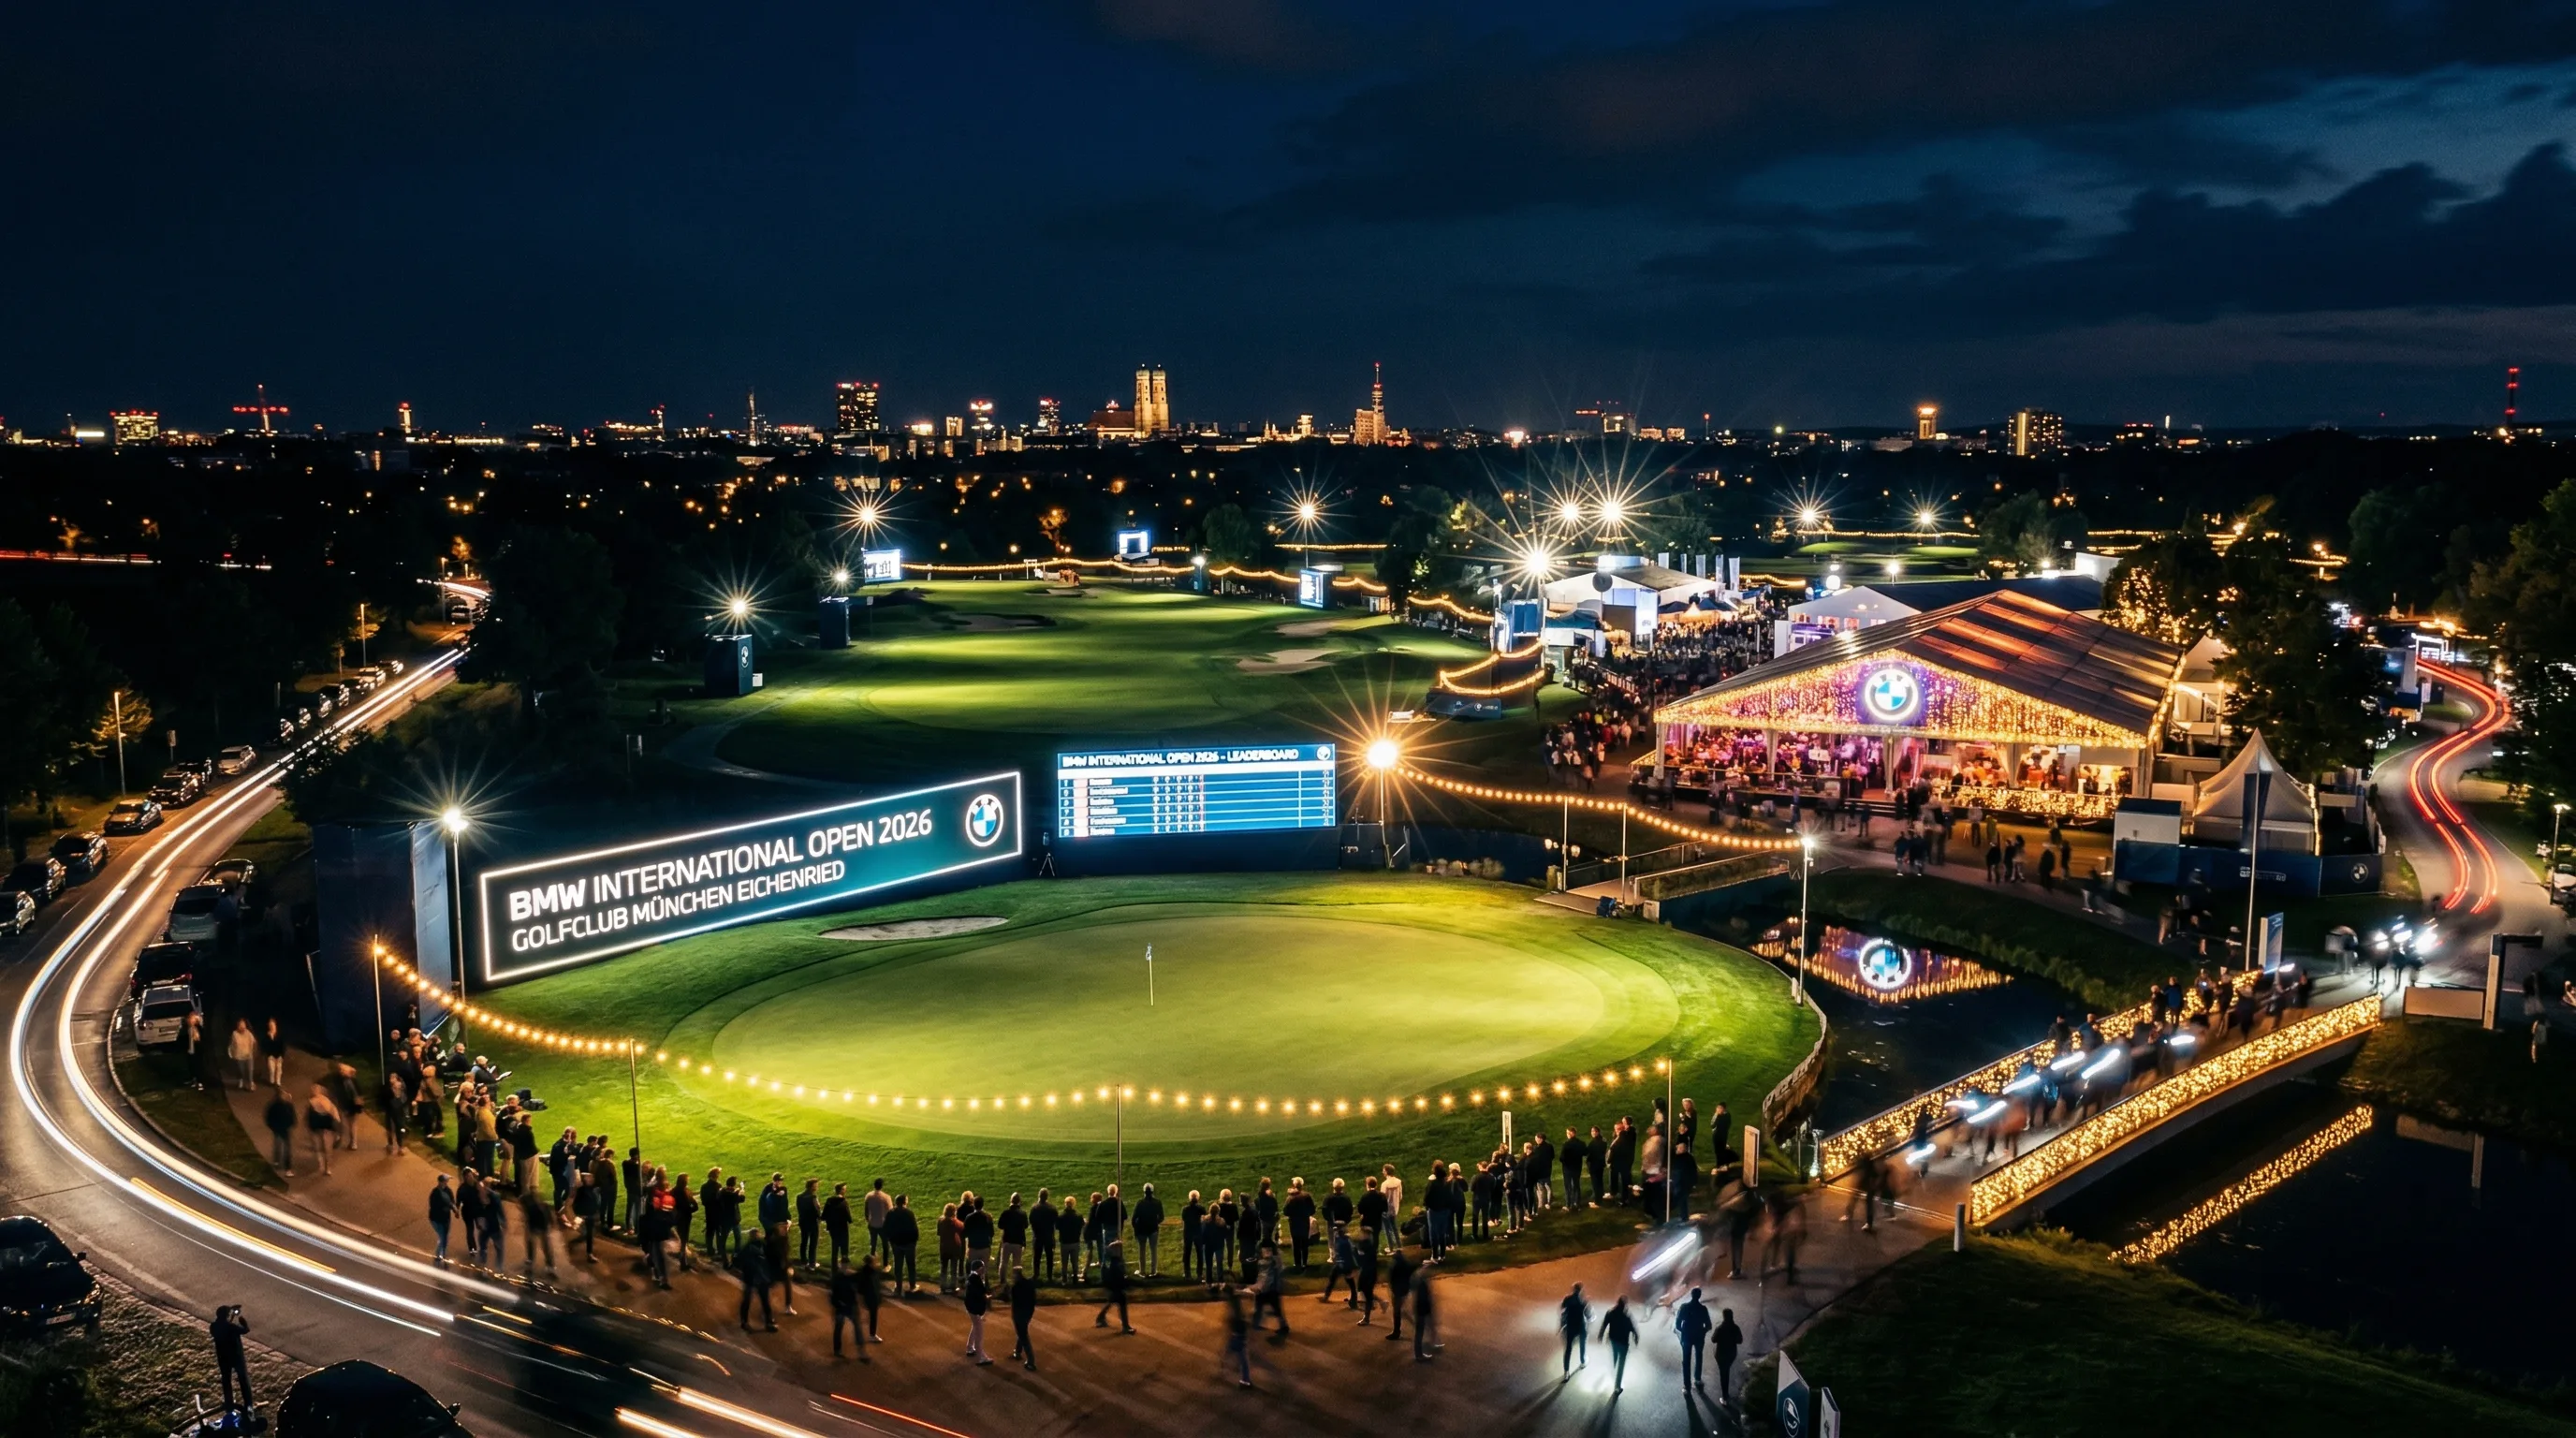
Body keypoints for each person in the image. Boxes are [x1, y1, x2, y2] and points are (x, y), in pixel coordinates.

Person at [211, 1305, 253, 1414]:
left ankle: (228, 1403)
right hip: (236, 1357)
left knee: (226, 1380)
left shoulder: (213, 1326)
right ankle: (248, 1403)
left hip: (223, 1357)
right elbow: (245, 1330)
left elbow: (224, 1326)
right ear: (226, 1315)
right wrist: (243, 1322)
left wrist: (231, 1314)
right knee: (243, 1380)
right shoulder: (231, 1327)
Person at [1676, 1286, 1712, 1391]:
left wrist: (1684, 1331)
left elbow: (1678, 1324)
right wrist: (1702, 1332)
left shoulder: (1684, 1307)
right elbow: (1709, 1325)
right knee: (1699, 1357)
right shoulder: (1703, 1309)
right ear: (1699, 1296)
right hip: (1699, 1337)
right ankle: (1697, 1379)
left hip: (1687, 1337)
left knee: (1686, 1360)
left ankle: (1687, 1386)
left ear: (1691, 1295)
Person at [737, 1234, 776, 1332]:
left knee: (748, 1300)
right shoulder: (764, 1247)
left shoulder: (746, 1248)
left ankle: (745, 1322)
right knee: (764, 1301)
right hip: (761, 1278)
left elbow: (737, 1262)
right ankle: (769, 1322)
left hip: (751, 1278)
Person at [1601, 1296, 1639, 1394]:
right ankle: (1617, 1386)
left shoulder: (1611, 1312)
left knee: (1614, 1358)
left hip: (1613, 1340)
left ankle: (1612, 1374)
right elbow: (1633, 1328)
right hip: (1623, 1343)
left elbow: (1604, 1324)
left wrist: (1601, 1335)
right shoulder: (1627, 1316)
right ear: (1625, 1305)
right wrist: (1636, 1337)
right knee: (1621, 1364)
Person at [1094, 1237, 1134, 1333]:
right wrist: (1125, 1284)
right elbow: (1119, 1277)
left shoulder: (1114, 1261)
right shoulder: (1115, 1263)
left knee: (1112, 1301)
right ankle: (1125, 1327)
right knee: (1121, 1302)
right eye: (1118, 1249)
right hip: (1116, 1287)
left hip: (1114, 1287)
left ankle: (1100, 1318)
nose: (1120, 1250)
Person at [1251, 1240, 1289, 1336]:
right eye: (1265, 1251)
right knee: (1259, 1306)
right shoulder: (1262, 1262)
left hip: (1271, 1289)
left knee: (1276, 1309)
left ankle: (1284, 1327)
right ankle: (1256, 1323)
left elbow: (1275, 1269)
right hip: (1263, 1288)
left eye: (1269, 1250)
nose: (1267, 1252)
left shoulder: (1274, 1262)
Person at [885, 1194, 919, 1295]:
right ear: (904, 1202)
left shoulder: (891, 1213)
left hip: (896, 1243)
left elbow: (886, 1228)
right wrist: (914, 1241)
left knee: (898, 1265)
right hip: (909, 1243)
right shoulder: (909, 1213)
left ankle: (898, 1287)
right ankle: (912, 1285)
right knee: (911, 1265)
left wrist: (891, 1240)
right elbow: (914, 1229)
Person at [302, 1083, 339, 1176]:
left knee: (319, 1147)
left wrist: (305, 1125)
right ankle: (327, 1168)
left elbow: (306, 1116)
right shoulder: (327, 1102)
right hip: (326, 1125)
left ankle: (322, 1164)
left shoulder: (310, 1102)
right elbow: (336, 1116)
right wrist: (337, 1130)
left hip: (316, 1125)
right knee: (326, 1148)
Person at [1222, 1284, 1253, 1389]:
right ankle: (1225, 1368)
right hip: (1239, 1330)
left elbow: (1235, 1317)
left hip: (1238, 1331)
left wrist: (1231, 1325)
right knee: (1232, 1350)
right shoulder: (1235, 1298)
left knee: (1241, 1356)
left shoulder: (1233, 1301)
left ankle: (1245, 1381)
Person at [1713, 1305, 1745, 1408]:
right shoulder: (1735, 1328)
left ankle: (1725, 1397)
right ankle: (1725, 1396)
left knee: (1723, 1374)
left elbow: (1713, 1339)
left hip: (1721, 1354)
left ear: (1724, 1316)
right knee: (1726, 1371)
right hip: (1731, 1354)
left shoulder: (1720, 1328)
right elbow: (1740, 1341)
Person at [1008, 1263, 1038, 1370]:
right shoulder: (1030, 1284)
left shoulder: (1015, 1287)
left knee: (1023, 1335)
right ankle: (1017, 1352)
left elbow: (1013, 1300)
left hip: (1018, 1313)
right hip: (1029, 1312)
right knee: (1022, 1331)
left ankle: (1031, 1362)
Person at [961, 1261, 992, 1365]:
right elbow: (981, 1294)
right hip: (974, 1309)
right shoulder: (976, 1280)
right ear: (979, 1269)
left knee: (975, 1327)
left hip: (971, 1308)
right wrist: (987, 1297)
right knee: (979, 1334)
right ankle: (981, 1358)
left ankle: (970, 1348)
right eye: (982, 1267)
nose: (984, 1269)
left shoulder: (972, 1278)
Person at [1132, 1181, 1164, 1277]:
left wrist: (1136, 1228)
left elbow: (1134, 1218)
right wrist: (1155, 1222)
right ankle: (1153, 1271)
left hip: (1142, 1229)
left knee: (1142, 1251)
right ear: (1152, 1192)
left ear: (1144, 1192)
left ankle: (1142, 1271)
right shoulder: (1157, 1202)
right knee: (1153, 1250)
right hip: (1153, 1229)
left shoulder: (1140, 1203)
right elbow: (1161, 1217)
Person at [262, 1087, 297, 1174]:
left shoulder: (275, 1105)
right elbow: (292, 1115)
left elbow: (268, 1117)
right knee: (284, 1147)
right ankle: (286, 1167)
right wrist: (292, 1123)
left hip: (280, 1128)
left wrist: (272, 1126)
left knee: (280, 1145)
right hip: (281, 1128)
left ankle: (279, 1162)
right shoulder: (282, 1105)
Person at [1558, 1283, 1589, 1376]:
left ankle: (1566, 1371)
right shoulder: (1583, 1301)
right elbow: (1588, 1315)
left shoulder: (1567, 1299)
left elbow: (1562, 1307)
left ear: (1573, 1289)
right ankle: (1582, 1361)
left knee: (1568, 1349)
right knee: (1582, 1344)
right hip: (1581, 1326)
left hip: (1570, 1326)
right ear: (1581, 1290)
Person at [1057, 1193, 1085, 1285]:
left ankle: (1064, 1279)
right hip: (1075, 1242)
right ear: (1073, 1204)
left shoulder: (1061, 1217)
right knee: (1075, 1262)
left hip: (1064, 1242)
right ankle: (1075, 1278)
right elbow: (1082, 1225)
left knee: (1064, 1262)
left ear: (1065, 1204)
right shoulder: (1078, 1216)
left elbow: (1057, 1227)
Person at [999, 1192, 1029, 1279]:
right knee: (1017, 1263)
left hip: (1007, 1240)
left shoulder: (1005, 1213)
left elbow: (1000, 1225)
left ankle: (1002, 1280)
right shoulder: (1023, 1214)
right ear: (1019, 1201)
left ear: (1011, 1201)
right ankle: (1016, 1280)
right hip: (1018, 1241)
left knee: (1003, 1262)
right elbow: (1026, 1226)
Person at [937, 1201, 965, 1295]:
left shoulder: (940, 1221)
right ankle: (953, 1286)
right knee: (954, 1268)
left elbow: (939, 1233)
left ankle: (943, 1286)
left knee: (943, 1267)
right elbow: (962, 1227)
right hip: (954, 1248)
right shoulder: (956, 1223)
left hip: (944, 1247)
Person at [857, 1254, 886, 1345]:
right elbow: (861, 1288)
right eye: (874, 1261)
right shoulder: (867, 1274)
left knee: (872, 1315)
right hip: (870, 1297)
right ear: (870, 1263)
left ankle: (871, 1331)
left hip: (873, 1296)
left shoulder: (871, 1270)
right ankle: (872, 1335)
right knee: (873, 1316)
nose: (876, 1262)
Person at [798, 1179, 824, 1269]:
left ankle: (803, 1261)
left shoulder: (799, 1196)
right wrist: (820, 1217)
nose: (817, 1187)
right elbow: (817, 1210)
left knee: (804, 1242)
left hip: (803, 1222)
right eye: (816, 1185)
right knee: (813, 1243)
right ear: (812, 1186)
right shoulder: (813, 1197)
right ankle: (812, 1263)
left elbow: (799, 1209)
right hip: (812, 1222)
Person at [864, 1178, 892, 1260]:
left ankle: (872, 1260)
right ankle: (885, 1263)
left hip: (872, 1223)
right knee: (885, 1244)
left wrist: (867, 1219)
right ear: (882, 1186)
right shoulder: (886, 1197)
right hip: (883, 1224)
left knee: (873, 1243)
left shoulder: (868, 1196)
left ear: (874, 1185)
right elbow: (890, 1211)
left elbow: (866, 1210)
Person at [226, 1020, 257, 1091]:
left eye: (243, 1025)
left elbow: (254, 1042)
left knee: (250, 1070)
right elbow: (231, 1045)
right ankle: (241, 1080)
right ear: (238, 1026)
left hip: (248, 1055)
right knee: (241, 1070)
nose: (242, 1027)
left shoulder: (248, 1033)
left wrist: (253, 1051)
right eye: (240, 1025)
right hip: (239, 1056)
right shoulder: (234, 1034)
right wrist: (231, 1054)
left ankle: (251, 1083)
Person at [1560, 1128, 1587, 1209]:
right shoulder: (1581, 1143)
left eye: (1568, 1133)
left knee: (1568, 1186)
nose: (1567, 1134)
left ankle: (1568, 1204)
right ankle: (1577, 1202)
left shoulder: (1566, 1144)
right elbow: (1585, 1153)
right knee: (1576, 1184)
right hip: (1577, 1167)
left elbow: (1562, 1158)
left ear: (1572, 1133)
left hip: (1567, 1168)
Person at [259, 1018, 285, 1088]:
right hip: (271, 1056)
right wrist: (270, 1038)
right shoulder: (266, 1036)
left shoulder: (280, 1035)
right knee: (272, 1069)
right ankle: (272, 1081)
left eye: (273, 1025)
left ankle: (278, 1082)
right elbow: (264, 1046)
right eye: (270, 1025)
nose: (272, 1027)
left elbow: (283, 1046)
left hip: (279, 1056)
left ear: (275, 1025)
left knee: (279, 1069)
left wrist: (282, 1056)